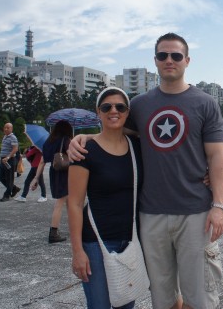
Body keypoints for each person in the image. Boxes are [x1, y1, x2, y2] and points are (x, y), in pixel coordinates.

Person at [70, 32, 223, 309]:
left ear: (187, 60)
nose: (169, 60)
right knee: (162, 297)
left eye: (176, 55)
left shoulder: (205, 103)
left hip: (196, 211)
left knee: (200, 296)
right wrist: (85, 139)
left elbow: (216, 156)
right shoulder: (140, 105)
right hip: (150, 215)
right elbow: (114, 132)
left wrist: (219, 205)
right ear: (155, 61)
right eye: (163, 55)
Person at [68, 87, 160, 309]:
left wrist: (204, 174)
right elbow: (74, 203)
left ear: (128, 112)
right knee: (99, 305)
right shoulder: (85, 150)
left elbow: (172, 158)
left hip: (130, 240)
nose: (113, 111)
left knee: (125, 305)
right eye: (106, 107)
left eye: (120, 107)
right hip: (95, 243)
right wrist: (77, 251)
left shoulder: (137, 147)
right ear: (97, 112)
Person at [31, 120, 73, 243]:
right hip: (65, 173)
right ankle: (53, 233)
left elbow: (43, 161)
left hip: (54, 172)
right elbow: (72, 156)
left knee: (70, 203)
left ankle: (74, 228)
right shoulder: (65, 140)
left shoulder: (49, 142)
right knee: (60, 203)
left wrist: (36, 178)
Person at [0, 123, 20, 202]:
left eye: (8, 128)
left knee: (9, 179)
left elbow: (15, 149)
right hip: (3, 160)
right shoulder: (5, 137)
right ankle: (14, 188)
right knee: (1, 177)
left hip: (9, 160)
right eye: (5, 127)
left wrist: (7, 157)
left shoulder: (13, 137)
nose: (6, 129)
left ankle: (6, 195)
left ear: (11, 129)